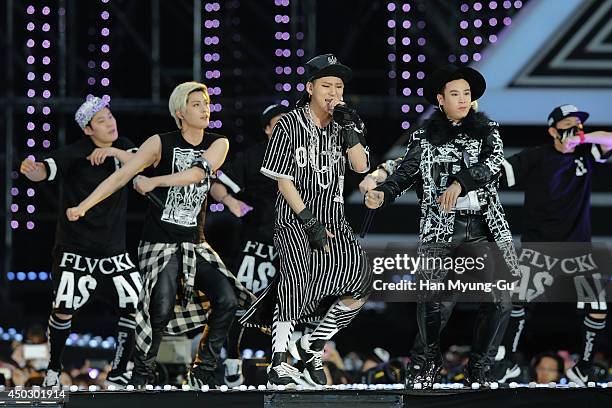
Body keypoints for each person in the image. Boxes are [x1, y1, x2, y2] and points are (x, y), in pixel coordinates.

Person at [65, 82, 255, 389]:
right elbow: (121, 176)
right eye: (196, 104)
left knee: (228, 298)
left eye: (206, 103)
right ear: (180, 112)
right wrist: (83, 206)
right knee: (160, 308)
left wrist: (155, 182)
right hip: (159, 242)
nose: (205, 108)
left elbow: (197, 174)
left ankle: (203, 371)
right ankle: (141, 376)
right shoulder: (159, 142)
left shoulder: (218, 143)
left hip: (195, 243)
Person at [365, 64, 518, 387]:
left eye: (466, 93)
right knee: (434, 302)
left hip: (483, 226)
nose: (463, 99)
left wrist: (460, 182)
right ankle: (424, 364)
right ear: (440, 99)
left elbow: (493, 164)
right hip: (441, 230)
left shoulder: (487, 128)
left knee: (501, 298)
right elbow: (405, 172)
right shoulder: (424, 136)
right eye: (455, 94)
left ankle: (480, 367)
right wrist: (383, 193)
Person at [240, 54, 372, 389]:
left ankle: (313, 344)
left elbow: (360, 167)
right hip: (297, 220)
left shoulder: (345, 122)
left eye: (339, 86)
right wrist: (310, 222)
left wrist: (350, 128)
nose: (333, 91)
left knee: (361, 283)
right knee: (296, 283)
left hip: (337, 221)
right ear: (311, 88)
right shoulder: (288, 125)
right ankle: (279, 363)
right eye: (326, 85)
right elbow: (283, 181)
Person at [19, 96, 140, 388]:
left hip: (113, 252)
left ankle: (121, 372)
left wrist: (112, 149)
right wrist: (31, 169)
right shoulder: (74, 153)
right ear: (88, 130)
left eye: (110, 117)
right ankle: (52, 371)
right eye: (101, 121)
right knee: (63, 309)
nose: (110, 123)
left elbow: (141, 163)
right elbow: (44, 171)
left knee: (134, 305)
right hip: (75, 249)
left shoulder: (122, 145)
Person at [492, 104, 612, 385]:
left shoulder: (585, 152)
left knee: (598, 303)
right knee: (514, 301)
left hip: (577, 251)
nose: (575, 127)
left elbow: (609, 139)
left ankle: (583, 367)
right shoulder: (535, 157)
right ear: (552, 130)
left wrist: (582, 139)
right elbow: (499, 174)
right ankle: (506, 362)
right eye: (568, 123)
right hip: (538, 250)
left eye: (578, 124)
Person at [208, 103, 290, 386]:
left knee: (292, 306)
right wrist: (231, 202)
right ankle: (232, 360)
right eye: (278, 123)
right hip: (257, 244)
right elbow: (215, 184)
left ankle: (285, 366)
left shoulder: (305, 156)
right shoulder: (253, 157)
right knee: (240, 304)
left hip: (293, 245)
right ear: (268, 129)